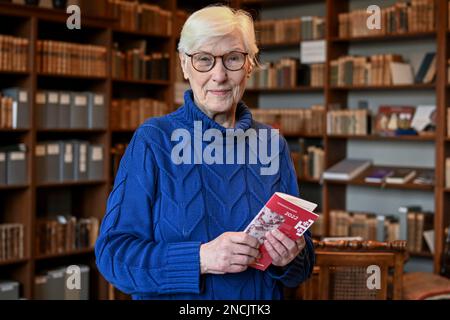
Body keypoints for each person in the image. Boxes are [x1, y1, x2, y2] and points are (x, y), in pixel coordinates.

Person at [95, 5, 314, 300]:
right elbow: (113, 256)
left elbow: (302, 268)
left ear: (249, 65)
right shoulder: (153, 141)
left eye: (233, 59)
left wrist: (291, 258)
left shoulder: (272, 145)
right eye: (204, 60)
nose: (219, 75)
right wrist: (200, 259)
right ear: (185, 66)